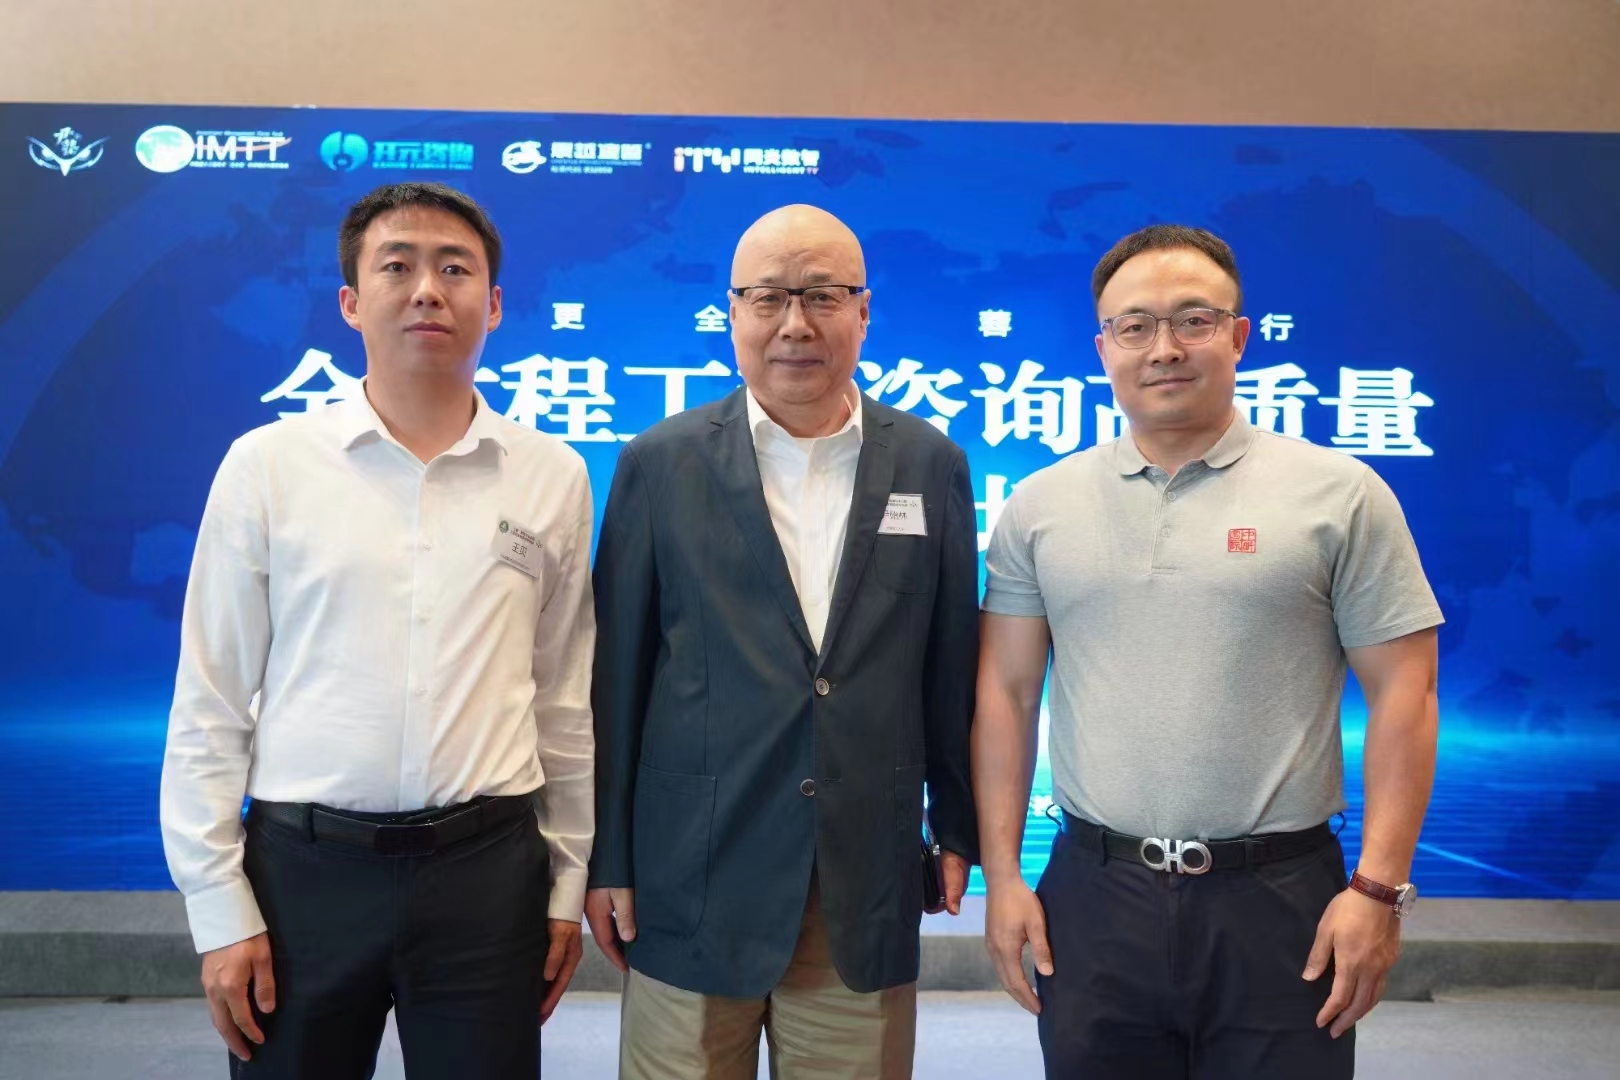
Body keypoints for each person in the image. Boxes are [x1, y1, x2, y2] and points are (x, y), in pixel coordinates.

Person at [975, 224, 1443, 1078]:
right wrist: (1002, 877)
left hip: (1280, 897)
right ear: (1103, 348)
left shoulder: (1341, 494)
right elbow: (1006, 694)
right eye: (1135, 326)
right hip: (1095, 892)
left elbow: (1405, 695)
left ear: (1239, 336)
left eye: (1194, 320)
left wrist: (1378, 890)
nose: (1164, 348)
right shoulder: (1040, 506)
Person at [160, 182, 595, 1078]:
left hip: (488, 878)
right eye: (397, 266)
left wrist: (567, 881)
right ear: (352, 302)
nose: (427, 290)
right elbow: (212, 699)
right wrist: (218, 906)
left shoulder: (551, 474)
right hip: (303, 877)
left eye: (454, 269)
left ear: (494, 305)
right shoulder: (267, 466)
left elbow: (562, 696)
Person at [586, 204, 979, 1079]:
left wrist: (956, 823)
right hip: (691, 877)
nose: (795, 323)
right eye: (768, 298)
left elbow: (948, 665)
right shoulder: (659, 462)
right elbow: (616, 682)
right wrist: (607, 856)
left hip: (862, 881)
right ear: (732, 314)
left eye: (822, 296)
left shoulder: (930, 463)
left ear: (863, 313)